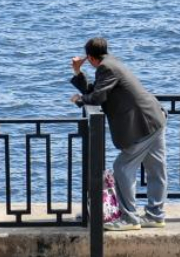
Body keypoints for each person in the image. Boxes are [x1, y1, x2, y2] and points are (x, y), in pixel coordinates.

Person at [70, 37, 167, 231]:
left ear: (89, 57)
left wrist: (80, 100)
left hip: (143, 124)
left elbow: (97, 97)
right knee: (156, 170)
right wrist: (78, 73)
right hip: (155, 118)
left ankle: (129, 219)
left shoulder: (106, 68)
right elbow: (98, 91)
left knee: (121, 167)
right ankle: (155, 216)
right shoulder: (111, 63)